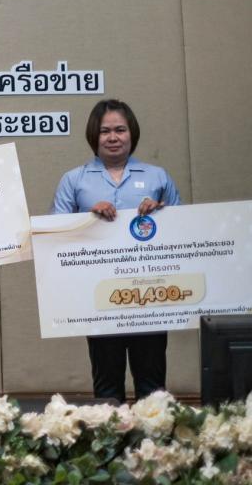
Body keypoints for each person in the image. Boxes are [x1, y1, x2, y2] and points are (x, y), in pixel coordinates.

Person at [51, 98, 180, 401]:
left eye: (120, 130)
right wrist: (87, 217)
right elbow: (55, 235)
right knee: (107, 385)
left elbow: (184, 230)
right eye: (105, 131)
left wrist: (162, 212)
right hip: (98, 296)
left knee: (152, 385)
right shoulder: (74, 180)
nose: (113, 137)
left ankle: (154, 433)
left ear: (132, 133)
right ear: (93, 136)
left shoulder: (157, 176)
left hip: (150, 292)